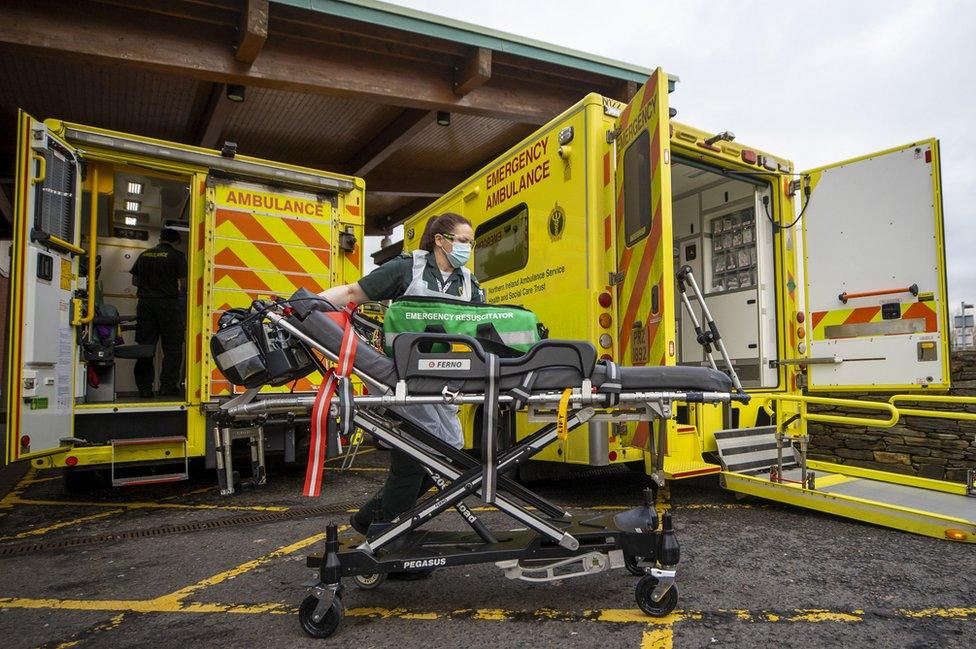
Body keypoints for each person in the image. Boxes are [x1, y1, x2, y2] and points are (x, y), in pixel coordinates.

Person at [318, 212, 483, 535]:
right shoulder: (408, 268)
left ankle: (372, 520)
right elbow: (353, 293)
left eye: (470, 243)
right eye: (463, 241)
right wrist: (309, 304)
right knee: (412, 462)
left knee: (439, 460)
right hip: (405, 380)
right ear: (440, 240)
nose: (468, 248)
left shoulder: (469, 283)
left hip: (445, 382)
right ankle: (383, 530)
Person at [130, 228, 187, 398]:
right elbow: (184, 284)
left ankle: (145, 388)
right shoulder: (177, 256)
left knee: (145, 348)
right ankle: (167, 387)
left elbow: (134, 280)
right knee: (173, 349)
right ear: (176, 241)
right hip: (169, 305)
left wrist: (150, 288)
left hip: (145, 305)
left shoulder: (144, 255)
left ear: (161, 238)